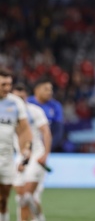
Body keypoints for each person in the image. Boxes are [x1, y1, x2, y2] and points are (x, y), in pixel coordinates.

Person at [12, 83, 51, 221]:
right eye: (17, 98)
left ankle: (39, 219)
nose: (20, 101)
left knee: (27, 196)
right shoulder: (8, 113)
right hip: (20, 156)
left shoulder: (35, 111)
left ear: (26, 97)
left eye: (22, 98)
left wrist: (45, 154)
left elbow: (46, 132)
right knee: (21, 199)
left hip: (36, 156)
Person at [0, 68, 32, 221]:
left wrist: (26, 151)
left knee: (3, 198)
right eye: (3, 84)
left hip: (6, 158)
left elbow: (24, 130)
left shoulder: (15, 103)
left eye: (9, 84)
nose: (7, 88)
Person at [27, 79, 63, 152]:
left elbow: (58, 131)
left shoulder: (55, 106)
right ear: (36, 90)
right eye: (46, 89)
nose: (50, 92)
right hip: (27, 145)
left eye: (51, 89)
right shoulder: (27, 103)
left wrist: (47, 148)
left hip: (47, 146)